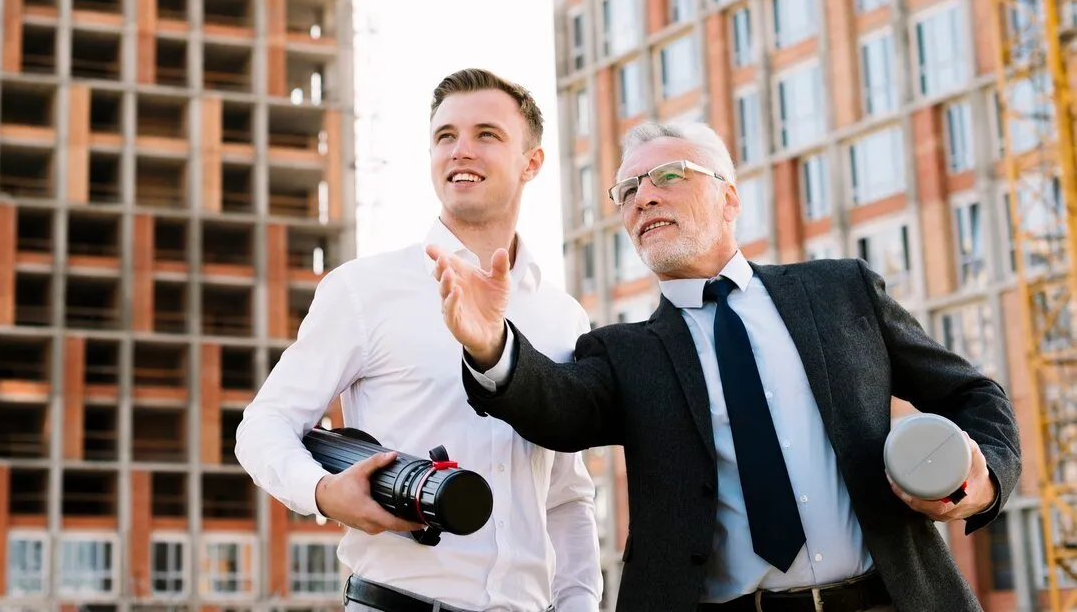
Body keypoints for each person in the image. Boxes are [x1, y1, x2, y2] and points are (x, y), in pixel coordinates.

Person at [426, 121, 1021, 612]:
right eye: (627, 191)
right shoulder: (622, 351)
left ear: (729, 197)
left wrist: (983, 479)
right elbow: (553, 406)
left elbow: (973, 393)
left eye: (667, 177)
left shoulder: (842, 292)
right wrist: (490, 345)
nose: (644, 197)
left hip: (888, 600)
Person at [235, 68, 603, 612]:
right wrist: (322, 492)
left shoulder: (563, 317)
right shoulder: (364, 289)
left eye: (487, 135)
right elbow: (263, 426)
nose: (461, 151)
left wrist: (579, 604)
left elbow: (567, 493)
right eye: (445, 136)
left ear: (532, 162)